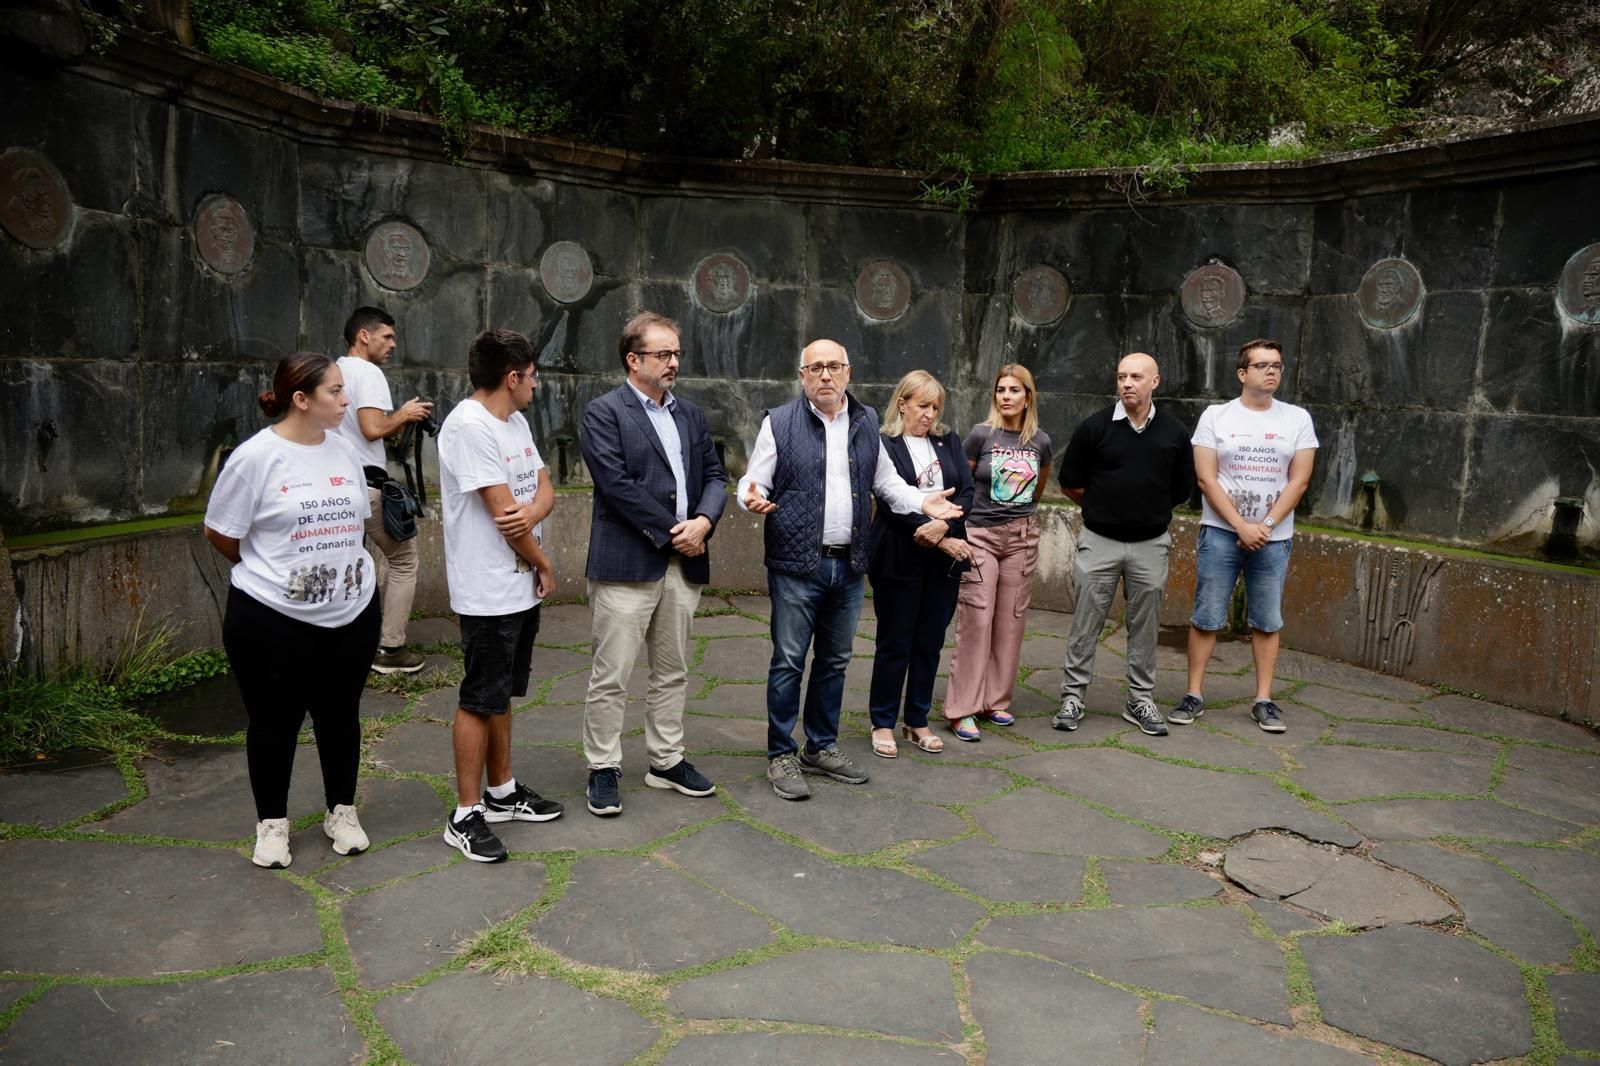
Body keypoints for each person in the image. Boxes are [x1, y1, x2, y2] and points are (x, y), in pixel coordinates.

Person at [738, 340, 960, 799]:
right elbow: (752, 478)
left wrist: (924, 502)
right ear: (802, 376)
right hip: (797, 564)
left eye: (833, 367)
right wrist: (749, 495)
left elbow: (888, 484)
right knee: (788, 662)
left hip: (850, 564)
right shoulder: (778, 423)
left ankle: (820, 746)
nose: (825, 375)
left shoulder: (863, 424)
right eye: (815, 367)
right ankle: (781, 754)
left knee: (835, 662)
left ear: (848, 373)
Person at [203, 353, 381, 869]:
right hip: (272, 618)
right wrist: (272, 576)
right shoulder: (256, 458)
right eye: (335, 392)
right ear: (300, 400)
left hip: (351, 611)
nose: (346, 401)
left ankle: (341, 812)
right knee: (274, 720)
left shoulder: (345, 450)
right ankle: (272, 825)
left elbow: (357, 521)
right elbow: (221, 532)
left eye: (344, 390)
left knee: (340, 715)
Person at [577, 312, 728, 817]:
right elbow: (616, 485)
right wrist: (674, 533)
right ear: (633, 359)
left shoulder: (690, 414)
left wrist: (704, 520)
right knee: (612, 673)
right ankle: (603, 766)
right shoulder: (604, 412)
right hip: (628, 562)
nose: (674, 363)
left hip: (684, 563)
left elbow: (714, 473)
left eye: (677, 354)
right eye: (663, 354)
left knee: (672, 671)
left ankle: (665, 760)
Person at [437, 329, 564, 863]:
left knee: (502, 692)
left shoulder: (514, 420)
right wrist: (544, 561)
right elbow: (502, 512)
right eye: (533, 376)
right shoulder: (468, 427)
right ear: (513, 377)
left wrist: (534, 513)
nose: (537, 385)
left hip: (517, 585)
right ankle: (466, 813)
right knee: (478, 697)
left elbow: (541, 488)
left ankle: (502, 792)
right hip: (488, 588)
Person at [1177, 339, 1318, 733]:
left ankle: (1264, 699)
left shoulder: (1296, 419)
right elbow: (1205, 477)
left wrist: (1266, 526)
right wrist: (1240, 525)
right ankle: (1193, 694)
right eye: (1261, 365)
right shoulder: (1216, 417)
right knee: (1206, 616)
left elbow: (1300, 479)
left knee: (1267, 620)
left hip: (1273, 538)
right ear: (1243, 373)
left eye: (1277, 365)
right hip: (1222, 532)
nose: (1271, 371)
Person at [1054, 353, 1196, 737]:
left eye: (1136, 376)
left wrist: (1145, 509)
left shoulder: (1174, 433)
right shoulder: (1095, 428)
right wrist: (1103, 507)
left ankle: (1139, 700)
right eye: (1121, 376)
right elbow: (1070, 481)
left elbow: (1182, 487)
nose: (1127, 383)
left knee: (1145, 626)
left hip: (1150, 545)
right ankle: (1073, 697)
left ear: (1155, 382)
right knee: (1086, 624)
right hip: (1100, 541)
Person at [867, 370, 975, 758]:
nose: (930, 414)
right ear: (902, 403)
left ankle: (916, 720)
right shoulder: (884, 444)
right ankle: (882, 721)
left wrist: (944, 528)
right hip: (898, 554)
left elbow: (965, 490)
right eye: (922, 405)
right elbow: (890, 496)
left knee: (929, 643)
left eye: (935, 407)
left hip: (942, 562)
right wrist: (936, 533)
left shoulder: (948, 442)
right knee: (895, 642)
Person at [943, 364, 1052, 742]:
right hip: (981, 536)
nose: (1006, 396)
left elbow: (1037, 490)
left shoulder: (1040, 441)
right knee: (976, 618)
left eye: (1014, 390)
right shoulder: (979, 435)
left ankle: (995, 700)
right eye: (1001, 390)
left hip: (1022, 536)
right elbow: (964, 486)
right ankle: (963, 709)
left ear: (1027, 397)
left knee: (1011, 619)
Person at [332, 306, 435, 674]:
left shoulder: (333, 371)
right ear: (364, 335)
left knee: (352, 563)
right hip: (367, 486)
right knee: (404, 560)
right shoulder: (368, 372)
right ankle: (391, 650)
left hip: (334, 487)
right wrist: (405, 415)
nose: (393, 344)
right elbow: (372, 428)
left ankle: (342, 643)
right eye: (387, 336)